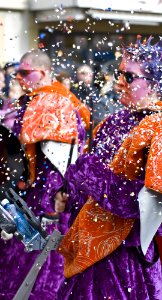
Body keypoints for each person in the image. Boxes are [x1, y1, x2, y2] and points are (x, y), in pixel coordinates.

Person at [55, 36, 162, 300]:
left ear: (152, 83)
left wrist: (92, 176)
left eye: (129, 77)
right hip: (88, 253)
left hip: (126, 262)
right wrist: (68, 189)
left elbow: (154, 211)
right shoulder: (112, 121)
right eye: (119, 74)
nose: (118, 83)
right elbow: (87, 183)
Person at [0, 49, 90, 299]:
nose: (18, 77)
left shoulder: (55, 101)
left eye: (25, 72)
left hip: (44, 205)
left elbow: (62, 164)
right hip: (26, 199)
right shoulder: (37, 99)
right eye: (17, 72)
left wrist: (46, 202)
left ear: (45, 72)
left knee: (38, 273)